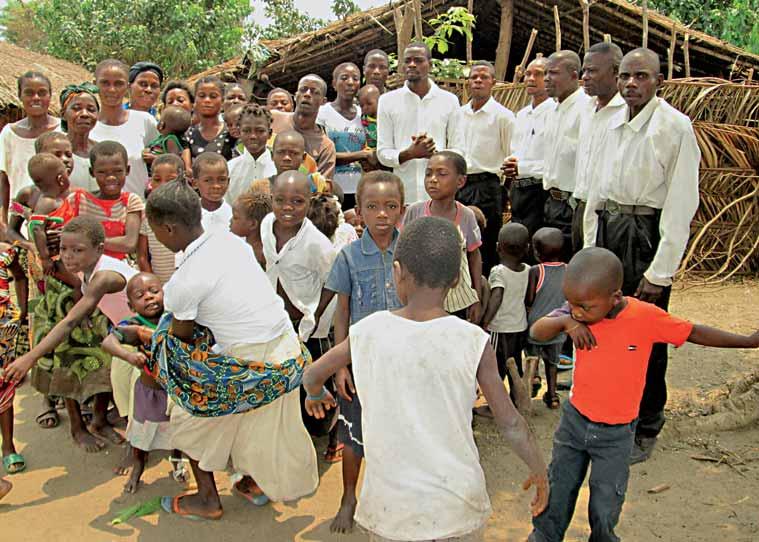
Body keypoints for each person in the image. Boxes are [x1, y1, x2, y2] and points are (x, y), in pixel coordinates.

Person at [303, 216, 548, 541]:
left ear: (397, 272)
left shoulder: (368, 332)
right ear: (458, 277)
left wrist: (316, 394)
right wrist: (540, 471)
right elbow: (511, 424)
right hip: (457, 508)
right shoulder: (472, 340)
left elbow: (312, 375)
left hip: (390, 513)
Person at [527, 247, 759, 542]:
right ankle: (544, 537)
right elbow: (538, 330)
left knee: (605, 502)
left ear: (615, 296)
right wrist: (567, 322)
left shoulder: (645, 317)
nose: (577, 311)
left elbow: (693, 332)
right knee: (558, 489)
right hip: (574, 424)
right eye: (571, 304)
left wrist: (748, 342)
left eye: (584, 307)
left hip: (616, 433)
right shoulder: (577, 312)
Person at [144, 179, 318, 519]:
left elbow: (181, 343)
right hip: (285, 352)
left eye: (157, 232)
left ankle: (208, 499)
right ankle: (251, 482)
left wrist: (150, 343)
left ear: (167, 228)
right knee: (256, 424)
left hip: (250, 363)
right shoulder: (228, 241)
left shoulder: (183, 282)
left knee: (188, 418)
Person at [583, 48, 700, 464]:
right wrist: (589, 249)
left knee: (645, 331)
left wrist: (660, 271)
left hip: (645, 235)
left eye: (642, 76)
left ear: (658, 81)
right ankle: (613, 414)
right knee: (607, 327)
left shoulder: (674, 127)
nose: (632, 83)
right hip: (609, 230)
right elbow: (597, 189)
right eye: (627, 76)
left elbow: (682, 204)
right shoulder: (610, 122)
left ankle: (647, 421)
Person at [316, 170, 404, 532]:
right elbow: (343, 311)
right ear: (359, 211)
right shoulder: (349, 256)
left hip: (403, 360)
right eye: (372, 206)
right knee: (353, 431)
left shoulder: (411, 251)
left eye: (390, 206)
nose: (382, 214)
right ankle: (349, 496)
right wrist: (340, 365)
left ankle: (394, 496)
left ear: (402, 209)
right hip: (361, 361)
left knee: (400, 430)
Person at [4, 216, 136, 452]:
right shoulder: (88, 270)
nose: (68, 256)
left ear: (99, 249)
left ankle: (138, 452)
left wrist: (28, 358)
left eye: (77, 250)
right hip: (128, 335)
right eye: (64, 249)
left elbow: (70, 320)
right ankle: (108, 426)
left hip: (144, 335)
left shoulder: (104, 276)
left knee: (141, 397)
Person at [101, 272, 184, 494]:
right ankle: (138, 467)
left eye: (154, 292)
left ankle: (177, 461)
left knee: (178, 429)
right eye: (140, 295)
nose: (148, 297)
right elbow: (108, 342)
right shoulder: (133, 324)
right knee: (141, 433)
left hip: (175, 389)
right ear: (131, 305)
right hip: (149, 391)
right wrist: (128, 356)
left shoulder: (174, 318)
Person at [403, 151, 482, 324]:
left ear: (460, 181)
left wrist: (477, 297)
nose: (433, 179)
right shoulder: (414, 212)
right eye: (428, 173)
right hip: (419, 299)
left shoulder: (466, 216)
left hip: (456, 301)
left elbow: (474, 256)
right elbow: (401, 253)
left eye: (442, 174)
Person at [377, 42, 460, 204]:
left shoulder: (449, 101)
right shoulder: (387, 101)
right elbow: (382, 152)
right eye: (407, 61)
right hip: (402, 195)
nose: (412, 65)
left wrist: (436, 155)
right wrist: (409, 153)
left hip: (440, 197)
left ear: (430, 64)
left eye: (418, 60)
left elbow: (459, 149)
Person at [453, 60, 515, 274]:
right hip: (459, 185)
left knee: (485, 242)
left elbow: (510, 156)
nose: (478, 81)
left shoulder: (503, 117)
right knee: (457, 239)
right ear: (468, 82)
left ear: (493, 82)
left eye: (484, 77)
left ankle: (485, 288)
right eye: (474, 77)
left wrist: (502, 191)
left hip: (487, 186)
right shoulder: (458, 114)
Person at [261, 171, 336, 342]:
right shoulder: (266, 224)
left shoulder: (317, 243)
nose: (287, 207)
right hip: (275, 318)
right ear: (271, 198)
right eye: (280, 200)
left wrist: (315, 314)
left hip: (305, 324)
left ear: (309, 202)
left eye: (297, 201)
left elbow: (334, 279)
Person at [571, 42, 626, 253]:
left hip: (609, 215)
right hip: (581, 207)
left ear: (615, 72)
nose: (585, 76)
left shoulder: (626, 113)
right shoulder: (586, 108)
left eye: (592, 71)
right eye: (584, 70)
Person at [540, 51, 591, 261]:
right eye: (545, 73)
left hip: (572, 206)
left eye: (553, 73)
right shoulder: (553, 110)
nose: (546, 79)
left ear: (573, 75)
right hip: (552, 202)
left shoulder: (586, 110)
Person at [91, 59, 159, 199]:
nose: (112, 89)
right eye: (105, 83)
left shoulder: (144, 121)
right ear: (95, 85)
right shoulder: (87, 127)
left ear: (127, 87)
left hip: (136, 211)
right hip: (95, 211)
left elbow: (162, 158)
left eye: (118, 84)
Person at [502, 58, 552, 242]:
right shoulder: (522, 115)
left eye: (538, 74)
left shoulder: (555, 114)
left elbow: (555, 163)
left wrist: (522, 168)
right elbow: (517, 150)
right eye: (528, 74)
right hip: (518, 191)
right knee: (517, 243)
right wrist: (511, 162)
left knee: (536, 244)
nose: (530, 78)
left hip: (540, 192)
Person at [68, 141, 143, 260]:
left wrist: (85, 241)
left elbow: (129, 243)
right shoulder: (78, 200)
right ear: (92, 172)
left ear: (127, 170)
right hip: (81, 267)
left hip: (118, 268)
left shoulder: (131, 201)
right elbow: (65, 237)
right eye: (102, 172)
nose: (111, 178)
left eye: (118, 171)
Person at [0, 72, 60, 222]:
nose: (36, 98)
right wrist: (3, 222)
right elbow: (3, 181)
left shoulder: (63, 130)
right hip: (18, 219)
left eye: (42, 93)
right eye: (29, 93)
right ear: (20, 96)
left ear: (50, 96)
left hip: (57, 216)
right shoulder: (9, 133)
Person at [481, 222, 531, 402]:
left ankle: (496, 404)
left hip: (500, 327)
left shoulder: (498, 272)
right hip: (519, 326)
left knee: (496, 366)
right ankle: (516, 398)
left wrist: (485, 322)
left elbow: (496, 298)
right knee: (515, 364)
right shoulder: (527, 270)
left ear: (497, 248)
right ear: (527, 248)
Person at [317, 63, 370, 210]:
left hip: (361, 189)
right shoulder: (322, 114)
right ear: (334, 83)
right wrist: (362, 155)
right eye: (344, 78)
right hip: (332, 188)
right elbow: (323, 156)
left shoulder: (364, 114)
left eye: (355, 78)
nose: (350, 82)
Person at [525, 227, 567, 410]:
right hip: (558, 326)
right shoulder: (569, 269)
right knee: (552, 363)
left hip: (536, 325)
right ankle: (552, 396)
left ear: (536, 252)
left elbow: (530, 299)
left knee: (531, 358)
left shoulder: (536, 271)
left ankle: (529, 386)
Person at [272, 74, 337, 181]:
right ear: (295, 95)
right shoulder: (273, 119)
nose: (307, 94)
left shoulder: (325, 146)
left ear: (323, 101)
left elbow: (322, 186)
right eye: (303, 90)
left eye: (314, 92)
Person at [0, 242, 29, 475]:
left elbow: (20, 277)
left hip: (3, 339)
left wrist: (22, 310)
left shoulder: (5, 253)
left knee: (4, 389)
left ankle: (8, 447)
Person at [138, 154, 184, 284]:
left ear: (183, 179)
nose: (163, 185)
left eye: (170, 180)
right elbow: (142, 256)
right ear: (150, 182)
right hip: (161, 285)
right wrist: (153, 284)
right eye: (157, 179)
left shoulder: (192, 210)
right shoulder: (146, 213)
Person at [227, 104, 276, 204]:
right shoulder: (230, 168)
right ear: (239, 132)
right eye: (247, 131)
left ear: (270, 133)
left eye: (260, 131)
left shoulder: (277, 169)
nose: (253, 136)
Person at [184, 77, 236, 163]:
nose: (207, 100)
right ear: (195, 100)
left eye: (213, 96)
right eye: (202, 96)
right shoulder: (188, 134)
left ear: (222, 101)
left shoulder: (232, 132)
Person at [59, 83, 99, 191]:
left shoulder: (101, 151)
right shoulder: (54, 152)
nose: (84, 114)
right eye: (76, 108)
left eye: (91, 109)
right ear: (63, 114)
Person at [230, 187, 272, 268]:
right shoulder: (239, 246)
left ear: (252, 224)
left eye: (235, 217)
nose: (230, 220)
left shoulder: (262, 256)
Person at [192, 152, 232, 235]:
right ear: (195, 183)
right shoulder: (187, 216)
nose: (216, 186)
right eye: (208, 180)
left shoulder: (235, 216)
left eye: (222, 180)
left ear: (228, 181)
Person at [358, 84, 381, 151]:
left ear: (379, 101)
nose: (365, 108)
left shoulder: (385, 119)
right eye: (362, 105)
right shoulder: (362, 118)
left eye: (369, 103)